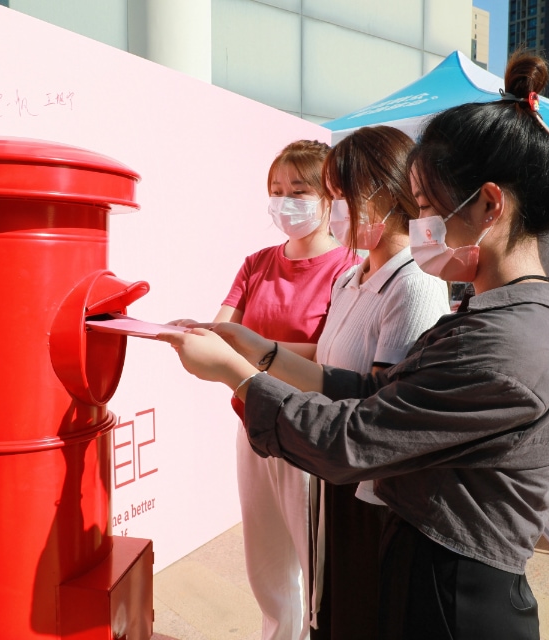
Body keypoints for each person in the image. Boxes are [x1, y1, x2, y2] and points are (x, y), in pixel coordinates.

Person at [159, 50, 549, 639]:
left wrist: (240, 377)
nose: (421, 226)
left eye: (431, 207)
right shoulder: (492, 317)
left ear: (490, 205)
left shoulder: (509, 343)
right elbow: (375, 390)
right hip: (425, 570)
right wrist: (261, 353)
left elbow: (354, 436)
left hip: (453, 595)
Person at [176, 139, 358, 640]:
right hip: (252, 420)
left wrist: (252, 350)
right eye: (276, 191)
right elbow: (222, 329)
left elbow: (330, 355)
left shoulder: (348, 269)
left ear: (331, 196)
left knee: (314, 558)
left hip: (309, 430)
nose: (285, 202)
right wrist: (192, 336)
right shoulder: (257, 263)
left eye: (299, 190)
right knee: (266, 561)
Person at [310, 126, 449, 639]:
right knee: (333, 607)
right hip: (334, 469)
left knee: (363, 612)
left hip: (372, 488)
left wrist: (257, 375)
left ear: (385, 192)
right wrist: (248, 347)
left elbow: (377, 400)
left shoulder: (415, 282)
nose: (334, 209)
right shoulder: (350, 276)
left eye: (341, 195)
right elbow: (325, 359)